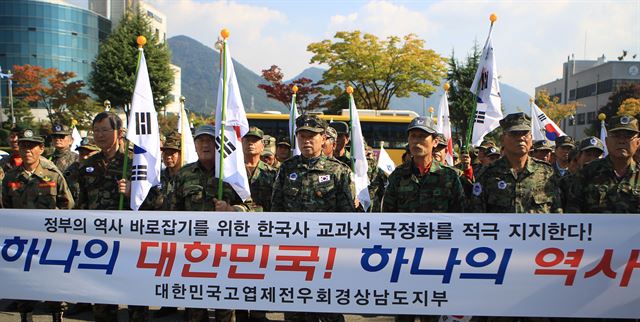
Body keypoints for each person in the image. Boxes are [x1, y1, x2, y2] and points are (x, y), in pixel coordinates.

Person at [271, 115, 355, 322]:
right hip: (294, 253)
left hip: (328, 254)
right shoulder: (287, 169)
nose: (306, 140)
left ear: (323, 138)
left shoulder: (339, 171)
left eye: (312, 136)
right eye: (302, 136)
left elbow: (348, 216)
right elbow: (276, 209)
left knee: (328, 310)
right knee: (295, 309)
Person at [383, 117, 463, 322]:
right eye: (413, 136)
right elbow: (388, 217)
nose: (416, 141)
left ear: (435, 141)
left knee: (432, 313)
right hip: (404, 258)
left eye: (422, 136)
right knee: (404, 313)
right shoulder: (398, 176)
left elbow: (461, 216)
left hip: (437, 258)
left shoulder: (449, 177)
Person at [170, 124, 250, 322]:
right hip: (193, 253)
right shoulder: (184, 174)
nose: (205, 145)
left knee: (225, 309)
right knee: (195, 309)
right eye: (200, 141)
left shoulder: (233, 175)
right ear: (195, 145)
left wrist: (232, 210)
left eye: (209, 141)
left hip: (225, 253)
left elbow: (256, 208)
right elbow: (172, 211)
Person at [76, 111, 148, 322]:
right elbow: (82, 203)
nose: (99, 135)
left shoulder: (135, 163)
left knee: (135, 300)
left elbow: (155, 203)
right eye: (96, 131)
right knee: (102, 300)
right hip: (99, 244)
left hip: (130, 242)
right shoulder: (88, 165)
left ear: (120, 133)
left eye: (105, 130)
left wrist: (132, 193)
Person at [2, 128, 74, 322]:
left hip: (50, 242)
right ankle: (26, 316)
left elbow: (67, 205)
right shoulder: (10, 178)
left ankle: (56, 316)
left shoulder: (53, 175)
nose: (27, 150)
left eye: (32, 146)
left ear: (41, 149)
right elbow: (6, 208)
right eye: (24, 146)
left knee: (52, 283)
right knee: (23, 285)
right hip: (22, 243)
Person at [471, 112, 561, 214]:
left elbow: (557, 213)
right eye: (514, 134)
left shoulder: (547, 173)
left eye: (525, 133)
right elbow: (476, 216)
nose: (521, 138)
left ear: (531, 139)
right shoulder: (487, 174)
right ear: (502, 139)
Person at [566, 115, 640, 213]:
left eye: (628, 137)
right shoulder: (587, 173)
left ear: (638, 143)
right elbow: (572, 211)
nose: (622, 141)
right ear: (607, 142)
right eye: (616, 136)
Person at [242, 126, 277, 212]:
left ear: (262, 146)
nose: (250, 143)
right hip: (238, 220)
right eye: (247, 140)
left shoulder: (272, 173)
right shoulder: (233, 171)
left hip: (264, 220)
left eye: (254, 140)